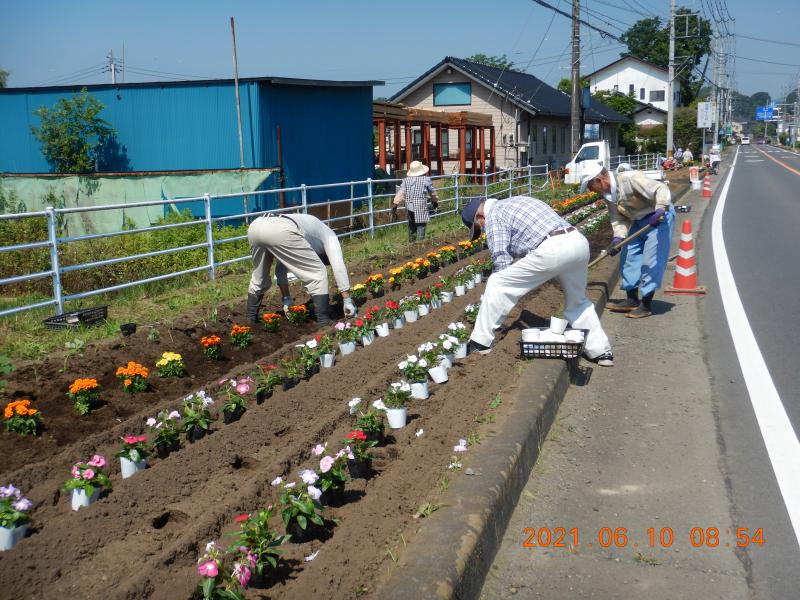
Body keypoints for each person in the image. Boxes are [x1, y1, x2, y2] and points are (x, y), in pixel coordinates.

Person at [460, 195, 614, 366]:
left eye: (479, 227)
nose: (483, 230)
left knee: (498, 282)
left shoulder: (494, 215)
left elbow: (501, 258)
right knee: (578, 301)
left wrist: (501, 293)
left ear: (480, 217)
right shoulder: (518, 200)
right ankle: (601, 351)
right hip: (577, 242)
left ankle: (479, 342)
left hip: (554, 249)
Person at [580, 162, 675, 318]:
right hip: (640, 221)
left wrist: (660, 208)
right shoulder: (609, 196)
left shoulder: (630, 179)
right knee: (628, 256)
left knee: (651, 260)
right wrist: (618, 238)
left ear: (599, 180)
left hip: (659, 218)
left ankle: (646, 304)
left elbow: (660, 188)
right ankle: (632, 299)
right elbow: (617, 219)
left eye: (590, 185)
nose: (591, 190)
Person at [245, 212, 356, 325]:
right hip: (282, 229)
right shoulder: (330, 236)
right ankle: (323, 321)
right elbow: (338, 266)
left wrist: (287, 299)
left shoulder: (309, 230)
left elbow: (281, 267)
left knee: (259, 276)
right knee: (318, 271)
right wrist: (347, 300)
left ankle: (251, 319)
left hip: (256, 226)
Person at [392, 160, 438, 241]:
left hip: (409, 206)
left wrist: (395, 203)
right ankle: (419, 243)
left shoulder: (406, 180)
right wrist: (434, 201)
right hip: (420, 205)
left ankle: (411, 242)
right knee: (421, 225)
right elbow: (432, 192)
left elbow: (401, 192)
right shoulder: (426, 179)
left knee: (411, 225)